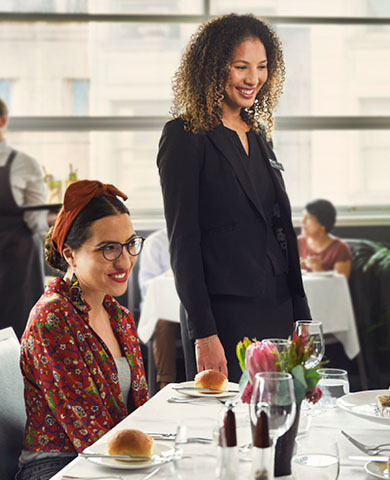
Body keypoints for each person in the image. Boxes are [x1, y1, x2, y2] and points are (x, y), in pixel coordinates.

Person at [157, 13, 310, 382]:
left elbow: (281, 229)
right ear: (213, 67)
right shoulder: (185, 136)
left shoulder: (258, 134)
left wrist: (301, 315)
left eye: (261, 67)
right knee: (228, 426)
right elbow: (183, 242)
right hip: (223, 314)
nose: (253, 79)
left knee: (279, 420)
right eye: (241, 66)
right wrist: (203, 333)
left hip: (277, 307)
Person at [17, 180, 149, 480]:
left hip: (110, 456)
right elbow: (88, 431)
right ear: (70, 255)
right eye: (109, 249)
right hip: (56, 466)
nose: (126, 260)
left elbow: (138, 411)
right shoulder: (52, 319)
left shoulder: (119, 316)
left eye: (130, 244)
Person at [0, 98, 53, 340]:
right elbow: (36, 223)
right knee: (17, 334)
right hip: (17, 259)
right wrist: (52, 219)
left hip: (17, 264)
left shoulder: (24, 163)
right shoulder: (25, 164)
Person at [138, 227, 180, 390]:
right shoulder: (155, 242)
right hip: (162, 310)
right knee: (164, 322)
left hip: (189, 311)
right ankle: (165, 383)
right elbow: (146, 286)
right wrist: (167, 276)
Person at [297, 198, 352, 280]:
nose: (302, 222)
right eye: (302, 217)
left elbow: (340, 286)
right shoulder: (297, 243)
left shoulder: (340, 248)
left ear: (323, 223)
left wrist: (318, 270)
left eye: (308, 218)